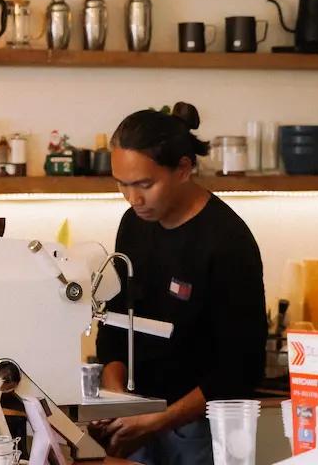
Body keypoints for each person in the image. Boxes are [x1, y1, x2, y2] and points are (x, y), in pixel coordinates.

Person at [92, 102, 268, 465]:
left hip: (197, 428)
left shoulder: (226, 241)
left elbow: (241, 368)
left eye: (145, 184)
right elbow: (115, 320)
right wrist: (116, 395)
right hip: (137, 418)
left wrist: (160, 421)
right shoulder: (133, 224)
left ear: (184, 169)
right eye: (122, 185)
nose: (133, 199)